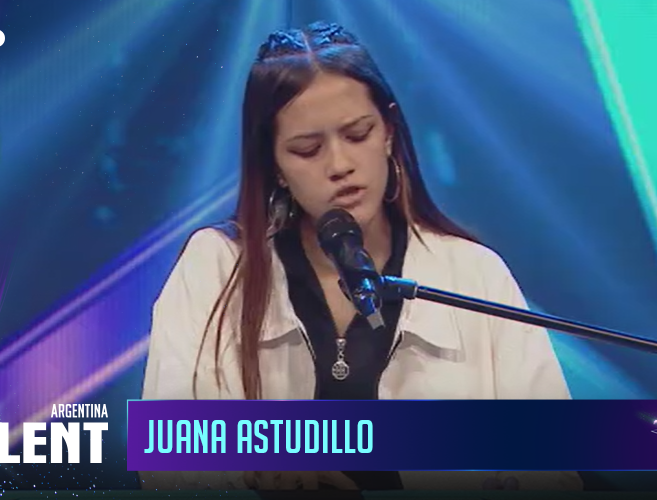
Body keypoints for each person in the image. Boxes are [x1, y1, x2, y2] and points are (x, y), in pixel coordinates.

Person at [139, 20, 581, 492]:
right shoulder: (218, 267)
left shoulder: (472, 273)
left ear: (388, 131)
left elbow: (553, 471)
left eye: (357, 134)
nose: (339, 165)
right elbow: (168, 460)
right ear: (275, 166)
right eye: (307, 150)